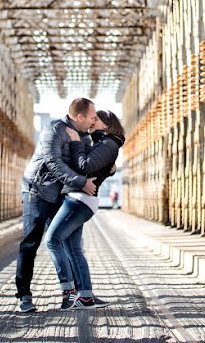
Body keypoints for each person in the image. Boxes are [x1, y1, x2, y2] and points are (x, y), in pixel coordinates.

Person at [15, 98, 97, 313]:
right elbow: (53, 162)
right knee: (31, 242)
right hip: (38, 190)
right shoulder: (54, 129)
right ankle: (24, 295)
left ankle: (73, 294)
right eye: (91, 116)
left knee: (67, 242)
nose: (93, 120)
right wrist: (81, 182)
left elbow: (86, 163)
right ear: (79, 117)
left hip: (61, 193)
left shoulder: (84, 135)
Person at [44, 109, 125, 310]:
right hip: (79, 198)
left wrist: (76, 143)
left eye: (95, 119)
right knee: (73, 248)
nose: (91, 122)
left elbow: (84, 166)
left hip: (80, 200)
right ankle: (85, 295)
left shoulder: (109, 144)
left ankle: (69, 291)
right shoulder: (102, 143)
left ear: (107, 124)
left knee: (52, 240)